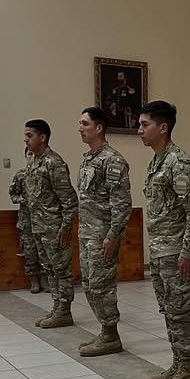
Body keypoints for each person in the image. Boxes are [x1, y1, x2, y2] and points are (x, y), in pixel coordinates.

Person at [138, 100, 190, 379]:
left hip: (178, 252)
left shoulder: (178, 162)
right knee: (169, 310)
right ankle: (179, 362)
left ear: (162, 127)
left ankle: (188, 369)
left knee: (180, 310)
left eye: (144, 125)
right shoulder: (157, 161)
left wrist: (188, 251)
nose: (139, 130)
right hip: (162, 249)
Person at [76, 106, 132, 356]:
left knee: (102, 285)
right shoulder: (88, 159)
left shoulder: (113, 160)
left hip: (102, 235)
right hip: (87, 233)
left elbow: (121, 203)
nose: (80, 129)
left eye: (85, 124)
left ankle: (111, 336)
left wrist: (112, 235)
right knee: (89, 284)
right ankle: (105, 331)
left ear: (99, 128)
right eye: (80, 124)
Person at [22, 119, 78, 328]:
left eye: (29, 135)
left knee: (61, 269)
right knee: (50, 269)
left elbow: (69, 200)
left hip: (54, 228)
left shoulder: (54, 163)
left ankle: (65, 310)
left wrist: (65, 227)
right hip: (39, 226)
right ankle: (57, 307)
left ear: (42, 137)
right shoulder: (33, 162)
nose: (25, 139)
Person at [9, 147, 44, 294]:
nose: (32, 156)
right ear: (25, 156)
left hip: (43, 220)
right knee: (29, 252)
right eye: (29, 154)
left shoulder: (44, 173)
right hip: (26, 220)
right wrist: (21, 199)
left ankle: (45, 280)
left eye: (34, 154)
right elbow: (13, 194)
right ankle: (34, 282)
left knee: (44, 252)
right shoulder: (20, 175)